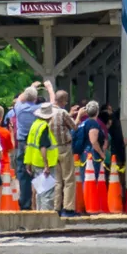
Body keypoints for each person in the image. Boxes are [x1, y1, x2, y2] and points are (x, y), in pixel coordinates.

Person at [11, 84, 41, 210]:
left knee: (23, 174)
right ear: (36, 98)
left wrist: (30, 87)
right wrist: (49, 89)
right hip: (37, 144)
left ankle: (25, 203)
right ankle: (40, 202)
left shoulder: (19, 108)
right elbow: (52, 103)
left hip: (23, 143)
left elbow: (19, 99)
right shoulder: (39, 109)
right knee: (39, 172)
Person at [49, 89, 77, 217]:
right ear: (64, 101)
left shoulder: (48, 112)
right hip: (64, 148)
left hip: (53, 149)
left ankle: (56, 207)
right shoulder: (62, 112)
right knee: (69, 179)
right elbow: (74, 127)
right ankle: (68, 208)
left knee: (58, 181)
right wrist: (79, 115)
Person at [24, 102, 57, 211]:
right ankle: (46, 217)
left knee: (39, 192)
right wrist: (46, 165)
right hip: (44, 164)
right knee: (47, 193)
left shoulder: (35, 125)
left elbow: (30, 145)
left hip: (35, 162)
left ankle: (39, 215)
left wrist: (28, 163)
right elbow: (43, 147)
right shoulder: (44, 127)